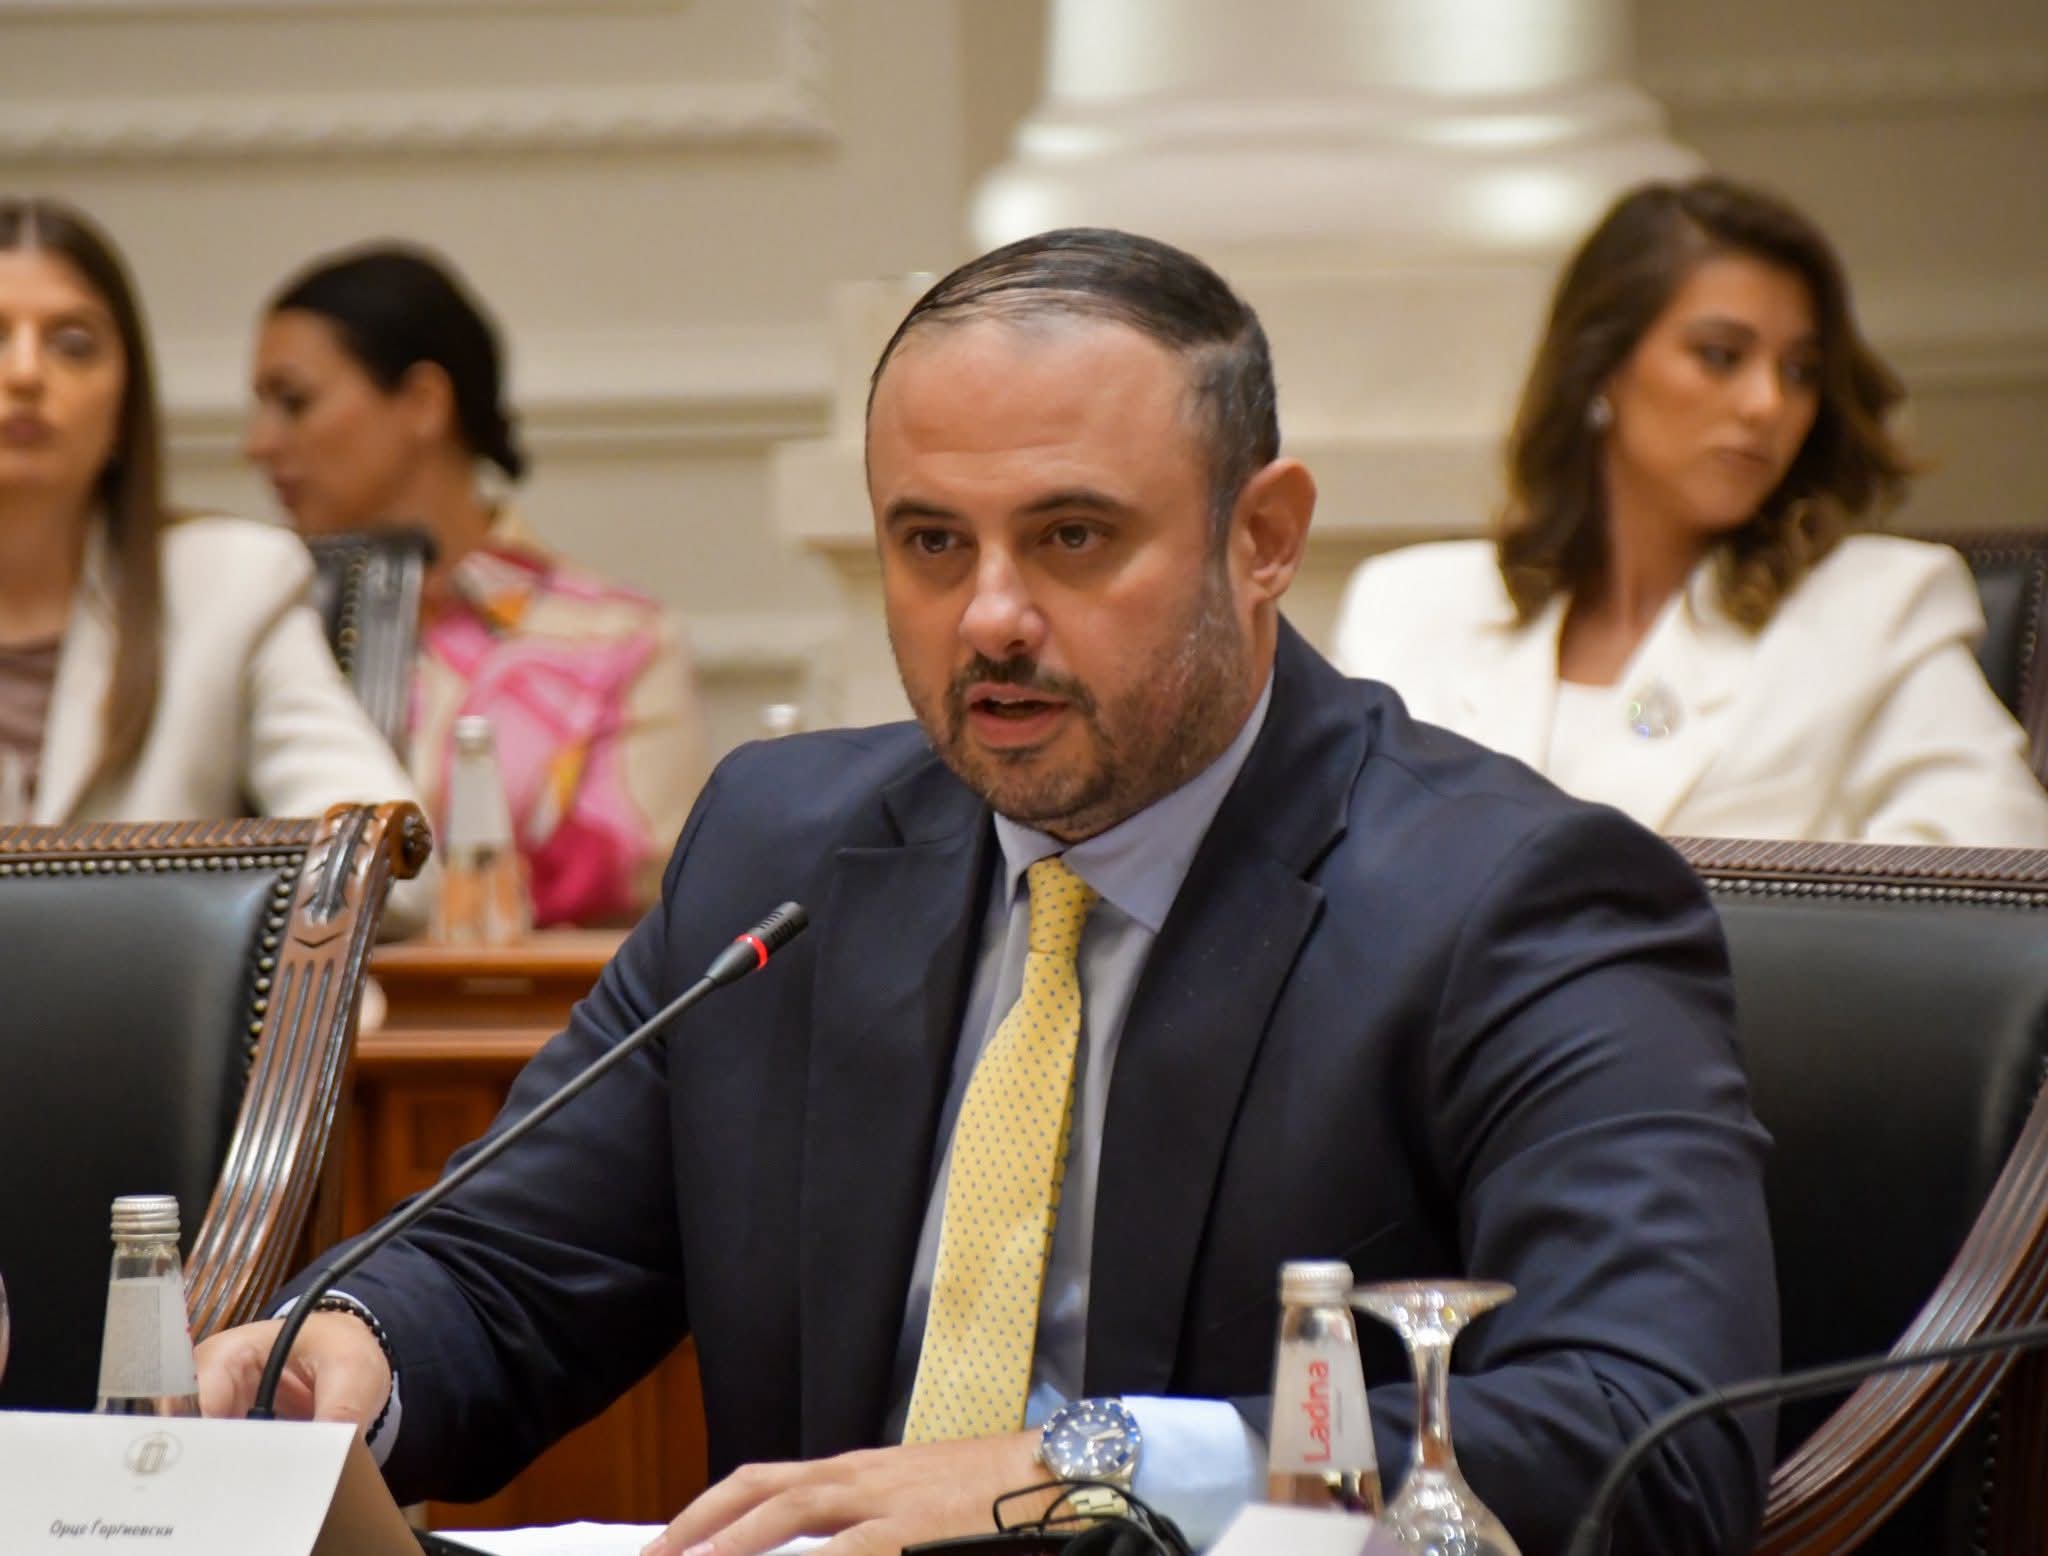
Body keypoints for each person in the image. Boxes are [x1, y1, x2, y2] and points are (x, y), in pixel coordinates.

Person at [198, 229, 1777, 1556]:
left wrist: (1088, 1463)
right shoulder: (780, 851)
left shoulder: (1514, 900)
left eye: (1073, 537)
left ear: (1263, 538)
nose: (991, 618)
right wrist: (356, 1345)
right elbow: (515, 1266)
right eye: (932, 543)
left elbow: (1649, 1431)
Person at [1334, 175, 2048, 847]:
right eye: (1720, 356)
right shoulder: (1407, 608)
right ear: (1602, 364)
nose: (1767, 403)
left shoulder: (1876, 608)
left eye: (1799, 371)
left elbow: (1990, 871)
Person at [244, 242, 708, 928]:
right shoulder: (254, 627)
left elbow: (639, 901)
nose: (257, 443)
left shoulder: (618, 643)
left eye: (294, 402)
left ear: (424, 402)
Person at [0, 196, 429, 925]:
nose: (26, 373)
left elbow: (391, 868)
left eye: (72, 344)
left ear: (125, 405)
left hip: (140, 997)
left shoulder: (230, 586)